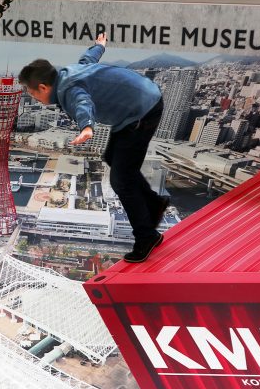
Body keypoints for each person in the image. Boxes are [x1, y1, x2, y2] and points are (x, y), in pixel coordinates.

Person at [18, 33, 169, 263]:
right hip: (134, 107)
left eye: (32, 93)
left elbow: (82, 103)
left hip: (142, 111)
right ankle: (154, 203)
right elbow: (88, 59)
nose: (33, 98)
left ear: (42, 87)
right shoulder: (68, 73)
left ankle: (147, 237)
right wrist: (99, 46)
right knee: (112, 157)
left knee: (121, 180)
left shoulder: (69, 91)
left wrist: (86, 127)